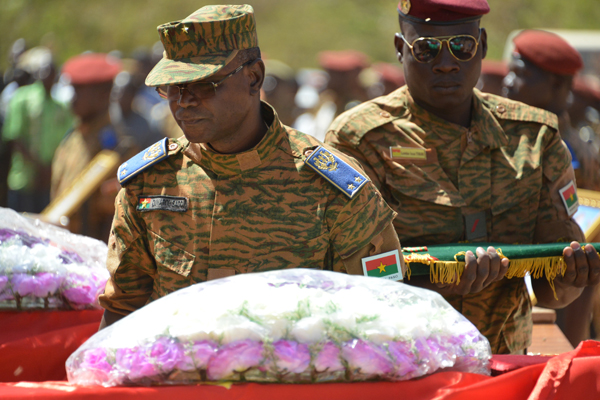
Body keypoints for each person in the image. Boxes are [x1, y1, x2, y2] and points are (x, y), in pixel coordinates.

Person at [98, 5, 404, 329]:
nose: (184, 101)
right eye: (173, 88)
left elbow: (384, 310)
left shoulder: (332, 187)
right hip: (178, 377)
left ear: (253, 77)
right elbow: (121, 311)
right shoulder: (150, 183)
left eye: (204, 85)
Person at [325, 0, 600, 354]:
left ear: (482, 46)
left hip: (502, 360)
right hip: (401, 358)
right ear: (400, 49)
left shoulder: (534, 135)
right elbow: (344, 277)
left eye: (462, 46)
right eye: (425, 50)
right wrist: (441, 283)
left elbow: (552, 286)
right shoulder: (360, 138)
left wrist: (571, 277)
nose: (445, 64)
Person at [503, 29, 600, 191]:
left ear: (557, 84)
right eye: (510, 72)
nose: (508, 82)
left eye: (520, 74)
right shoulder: (503, 133)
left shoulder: (570, 153)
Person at [50, 52, 132, 241]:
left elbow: (117, 220)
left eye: (79, 90)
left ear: (104, 95)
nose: (72, 98)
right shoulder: (72, 138)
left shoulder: (119, 149)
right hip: (60, 246)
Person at [1, 47, 73, 213]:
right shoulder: (22, 98)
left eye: (52, 71)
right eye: (45, 70)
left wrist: (51, 170)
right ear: (38, 73)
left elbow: (67, 139)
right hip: (25, 178)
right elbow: (14, 137)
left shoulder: (60, 107)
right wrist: (38, 168)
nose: (48, 75)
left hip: (48, 180)